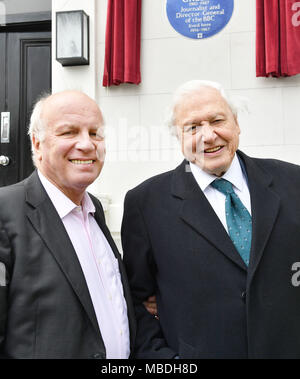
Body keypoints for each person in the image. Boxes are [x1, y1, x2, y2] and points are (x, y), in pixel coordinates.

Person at [121, 80, 300, 359]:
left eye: (217, 120)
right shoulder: (145, 204)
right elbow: (134, 301)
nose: (208, 136)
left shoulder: (293, 182)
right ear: (178, 137)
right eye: (192, 127)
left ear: (236, 124)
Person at [0, 90, 136, 359]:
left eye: (95, 133)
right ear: (37, 144)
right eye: (69, 132)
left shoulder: (94, 209)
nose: (87, 144)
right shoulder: (5, 211)